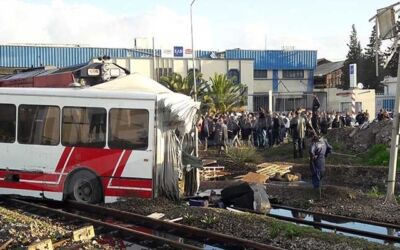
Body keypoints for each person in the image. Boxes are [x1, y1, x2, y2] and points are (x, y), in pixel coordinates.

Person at [309, 132, 332, 199]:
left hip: (315, 162)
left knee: (315, 174)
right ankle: (320, 188)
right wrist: (327, 153)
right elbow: (330, 148)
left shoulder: (314, 144)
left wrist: (313, 157)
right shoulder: (324, 141)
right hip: (322, 160)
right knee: (321, 173)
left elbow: (311, 151)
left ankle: (316, 191)